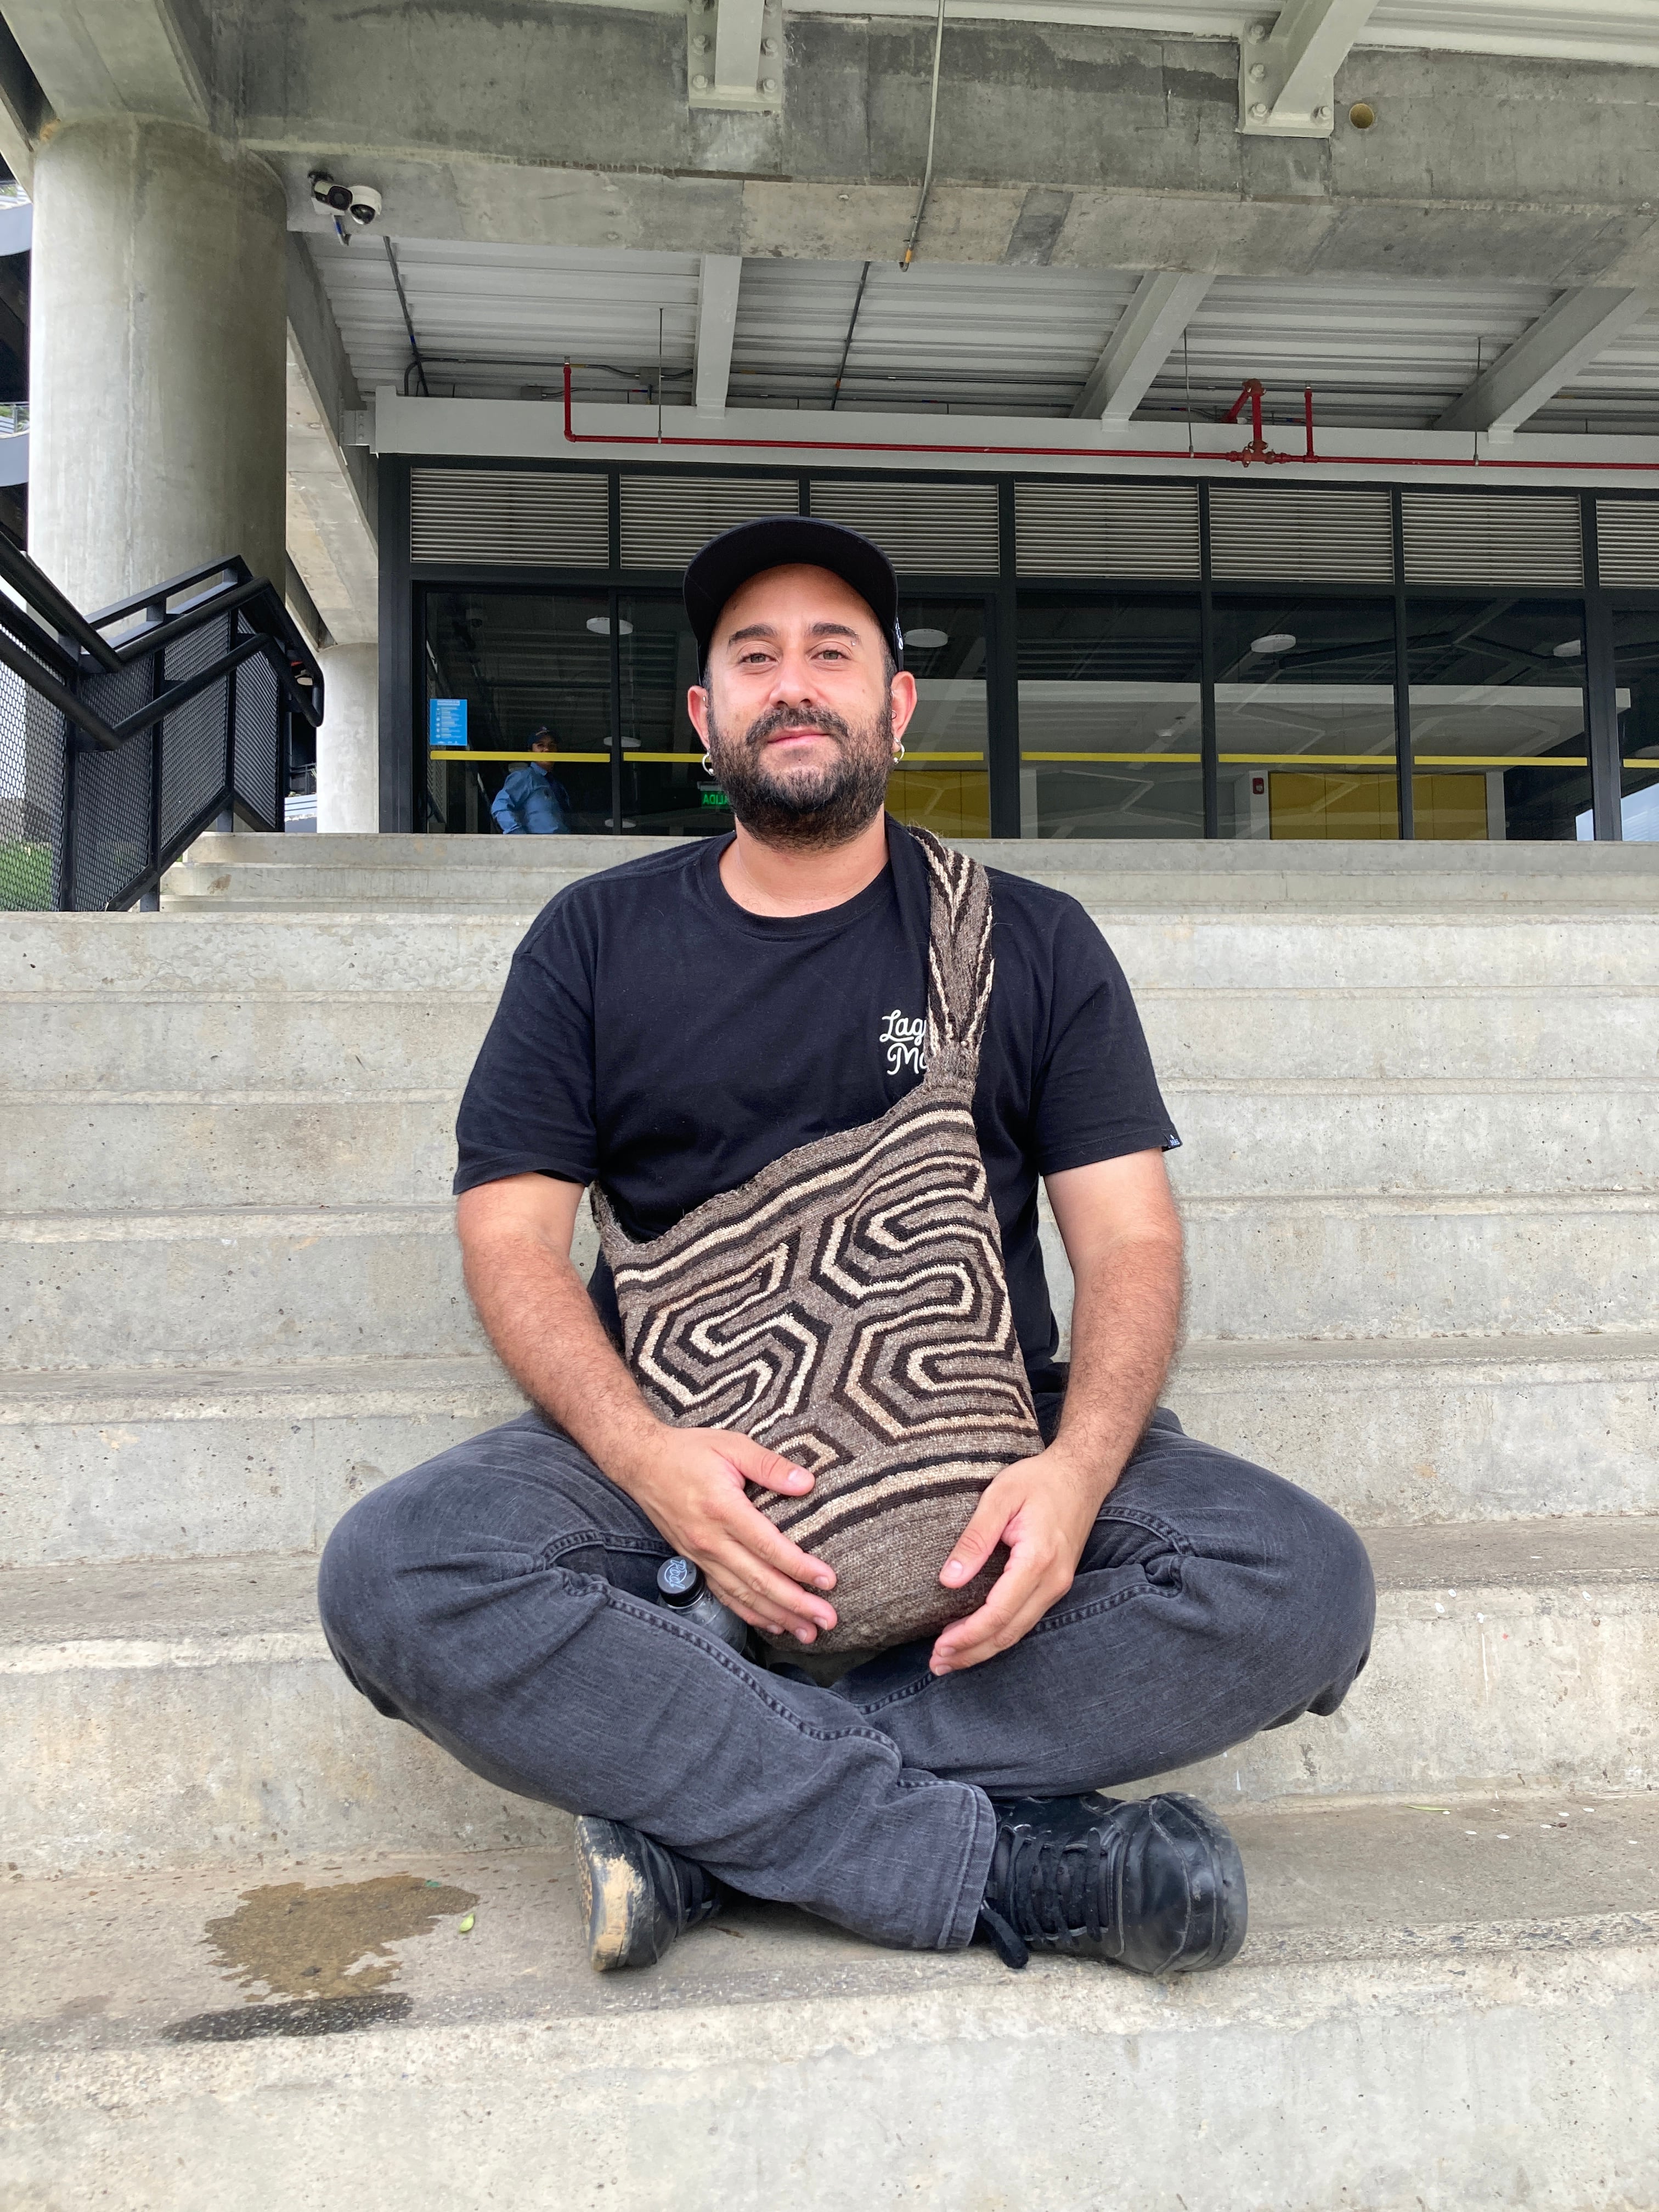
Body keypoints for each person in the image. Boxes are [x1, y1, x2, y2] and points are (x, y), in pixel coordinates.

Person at [319, 517, 1375, 1980]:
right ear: (703, 716)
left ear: (896, 704)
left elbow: (1127, 1236)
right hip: (681, 1449)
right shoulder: (593, 941)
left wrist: (1073, 1474)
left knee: (1302, 1586)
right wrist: (646, 1462)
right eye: (754, 658)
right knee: (398, 1573)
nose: (795, 684)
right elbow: (511, 1239)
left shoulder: (1032, 940)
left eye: (835, 653)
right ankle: (1006, 1862)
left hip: (983, 1434)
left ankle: (704, 1811)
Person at [490, 726, 572, 834]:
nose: (547, 749)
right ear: (530, 752)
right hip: (538, 847)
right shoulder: (525, 777)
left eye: (552, 745)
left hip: (564, 845)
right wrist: (521, 839)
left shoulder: (557, 785)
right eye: (540, 745)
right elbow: (500, 806)